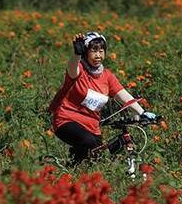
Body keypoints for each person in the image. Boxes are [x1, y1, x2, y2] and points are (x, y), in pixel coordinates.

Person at [48, 31, 158, 165]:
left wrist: (142, 113)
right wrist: (76, 54)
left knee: (98, 157)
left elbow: (123, 96)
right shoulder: (79, 70)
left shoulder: (107, 76)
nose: (98, 55)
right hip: (66, 120)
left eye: (101, 51)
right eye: (93, 51)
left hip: (92, 126)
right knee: (89, 143)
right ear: (85, 52)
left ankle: (68, 169)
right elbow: (72, 68)